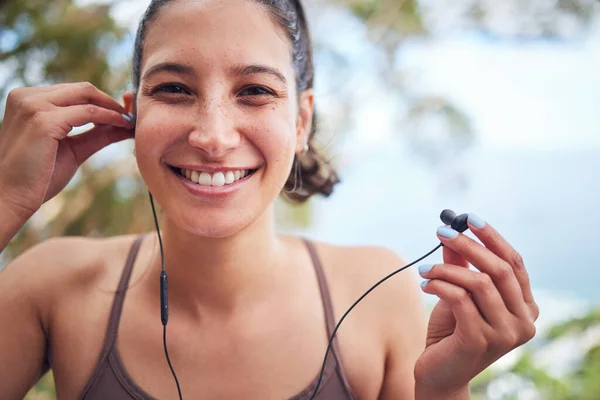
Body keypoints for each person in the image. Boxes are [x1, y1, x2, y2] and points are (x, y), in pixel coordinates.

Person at [0, 0, 539, 399]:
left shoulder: (380, 296)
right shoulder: (52, 285)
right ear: (131, 113)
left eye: (254, 91)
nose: (212, 136)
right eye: (173, 89)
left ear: (301, 120)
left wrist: (444, 389)